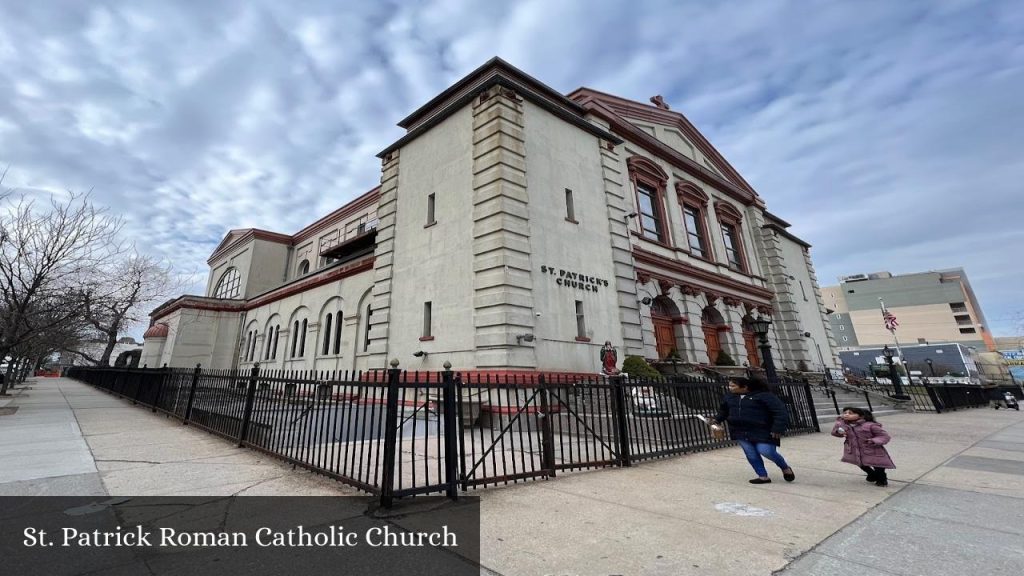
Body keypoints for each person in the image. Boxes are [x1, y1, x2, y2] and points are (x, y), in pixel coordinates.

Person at [710, 377, 794, 484]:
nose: (729, 388)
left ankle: (785, 468)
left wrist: (777, 428)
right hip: (739, 430)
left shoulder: (764, 396)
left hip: (763, 430)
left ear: (744, 387)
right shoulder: (729, 397)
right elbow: (724, 411)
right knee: (751, 454)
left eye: (733, 386)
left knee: (766, 451)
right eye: (729, 385)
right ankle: (763, 476)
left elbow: (780, 412)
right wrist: (716, 420)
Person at [831, 407, 894, 487]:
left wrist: (874, 440)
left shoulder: (870, 425)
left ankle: (882, 479)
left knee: (878, 465)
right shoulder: (846, 425)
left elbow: (884, 436)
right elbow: (835, 433)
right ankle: (871, 474)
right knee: (861, 463)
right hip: (854, 449)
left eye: (850, 413)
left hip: (872, 449)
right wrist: (839, 429)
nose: (846, 414)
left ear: (861, 416)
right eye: (845, 413)